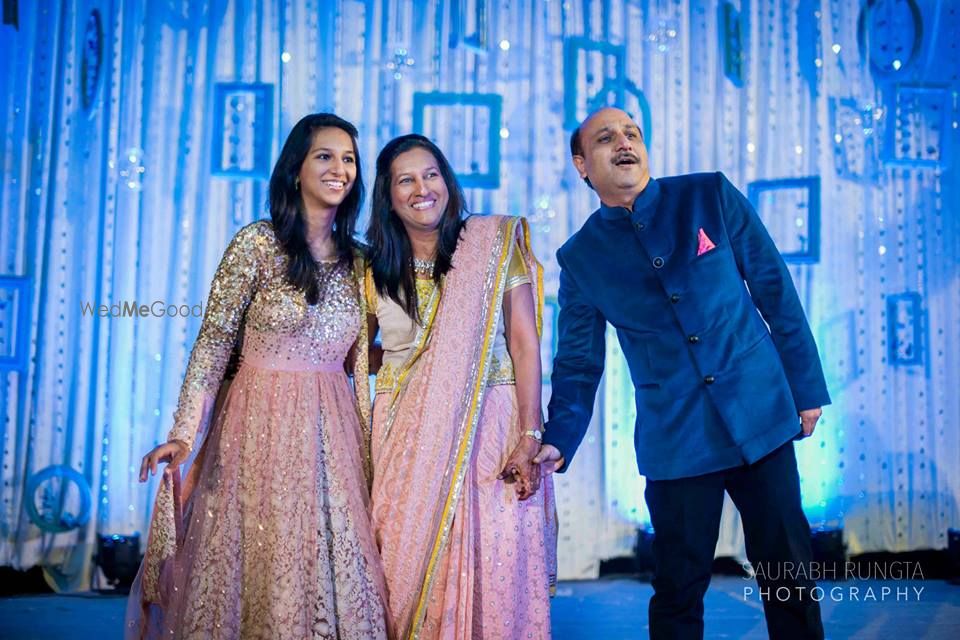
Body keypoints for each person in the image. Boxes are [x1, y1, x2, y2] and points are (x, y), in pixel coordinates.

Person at [533, 107, 830, 640]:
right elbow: (578, 361)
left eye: (632, 134)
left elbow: (774, 289)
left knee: (788, 571)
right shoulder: (580, 257)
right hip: (677, 437)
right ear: (582, 164)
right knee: (677, 586)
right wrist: (559, 437)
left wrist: (805, 389)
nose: (624, 143)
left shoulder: (708, 195)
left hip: (759, 413)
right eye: (605, 139)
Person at [126, 113, 391, 639]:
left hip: (327, 441)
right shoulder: (257, 244)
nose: (340, 168)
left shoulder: (362, 263)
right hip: (255, 433)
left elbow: (362, 362)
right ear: (296, 168)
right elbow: (214, 341)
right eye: (325, 156)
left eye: (349, 159)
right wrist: (183, 433)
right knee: (253, 562)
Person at [364, 134, 557, 639]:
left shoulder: (490, 246)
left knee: (494, 549)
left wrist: (530, 432)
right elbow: (356, 352)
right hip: (405, 431)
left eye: (430, 175)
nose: (421, 188)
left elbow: (524, 341)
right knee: (406, 554)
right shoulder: (372, 269)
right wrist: (416, 367)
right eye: (405, 180)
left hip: (490, 422)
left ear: (447, 181)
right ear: (387, 196)